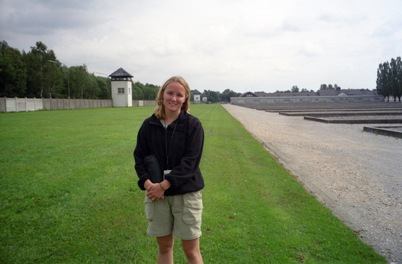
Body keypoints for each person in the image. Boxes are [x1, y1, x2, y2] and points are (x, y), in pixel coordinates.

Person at [134, 76, 205, 264]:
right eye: (170, 93)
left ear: (185, 99)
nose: (174, 98)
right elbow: (139, 158)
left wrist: (164, 185)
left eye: (179, 95)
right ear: (162, 95)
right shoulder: (148, 126)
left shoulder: (193, 125)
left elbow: (190, 162)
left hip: (185, 194)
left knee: (191, 251)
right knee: (164, 247)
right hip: (156, 195)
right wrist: (148, 183)